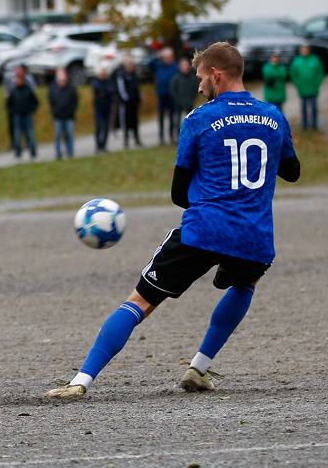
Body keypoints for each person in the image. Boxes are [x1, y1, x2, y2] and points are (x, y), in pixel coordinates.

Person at [47, 42, 300, 400]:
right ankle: (198, 367)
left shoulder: (198, 119)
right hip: (253, 235)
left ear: (215, 74)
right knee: (245, 283)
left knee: (139, 302)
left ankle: (81, 382)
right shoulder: (274, 116)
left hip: (205, 229)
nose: (198, 86)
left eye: (200, 77)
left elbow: (179, 194)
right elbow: (292, 171)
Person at [148, 47, 179, 144]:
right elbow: (149, 65)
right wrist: (157, 56)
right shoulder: (159, 65)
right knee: (161, 116)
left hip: (172, 95)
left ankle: (172, 135)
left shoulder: (175, 66)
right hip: (161, 94)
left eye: (169, 57)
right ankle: (161, 136)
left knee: (172, 116)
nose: (167, 59)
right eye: (165, 57)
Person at [6, 65, 39, 159]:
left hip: (27, 116)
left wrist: (31, 111)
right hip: (17, 116)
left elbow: (35, 102)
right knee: (17, 136)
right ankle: (18, 152)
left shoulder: (28, 90)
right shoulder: (14, 91)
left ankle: (32, 152)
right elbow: (9, 104)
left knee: (30, 134)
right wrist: (14, 112)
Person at [289, 44, 325, 130]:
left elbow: (320, 73)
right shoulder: (297, 61)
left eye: (306, 49)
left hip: (313, 88)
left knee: (314, 107)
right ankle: (304, 124)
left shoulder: (315, 60)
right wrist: (298, 85)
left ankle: (314, 124)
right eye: (303, 49)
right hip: (303, 89)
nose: (304, 51)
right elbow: (293, 74)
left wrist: (317, 83)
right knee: (304, 107)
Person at [48, 67, 78, 159]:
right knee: (57, 136)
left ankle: (70, 153)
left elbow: (75, 102)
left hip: (69, 116)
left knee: (69, 135)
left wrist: (71, 111)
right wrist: (55, 112)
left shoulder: (71, 89)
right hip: (58, 116)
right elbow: (51, 102)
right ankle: (58, 154)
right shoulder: (53, 89)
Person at [169, 57, 199, 139]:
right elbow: (173, 90)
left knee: (190, 120)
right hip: (178, 103)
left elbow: (195, 90)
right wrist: (178, 100)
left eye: (186, 65)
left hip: (189, 102)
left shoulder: (192, 78)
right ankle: (177, 135)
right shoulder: (176, 78)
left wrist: (191, 99)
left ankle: (190, 135)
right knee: (177, 120)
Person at [116, 59, 142, 148]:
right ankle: (126, 141)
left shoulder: (135, 75)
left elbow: (137, 88)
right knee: (126, 122)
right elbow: (121, 89)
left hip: (135, 102)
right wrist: (126, 98)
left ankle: (137, 139)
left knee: (135, 121)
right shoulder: (122, 75)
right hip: (127, 103)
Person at [91, 67, 115, 153]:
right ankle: (98, 145)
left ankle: (104, 145)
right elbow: (97, 90)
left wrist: (104, 92)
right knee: (98, 126)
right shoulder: (96, 82)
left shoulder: (109, 82)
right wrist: (104, 92)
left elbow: (111, 90)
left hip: (107, 107)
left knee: (106, 127)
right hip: (99, 108)